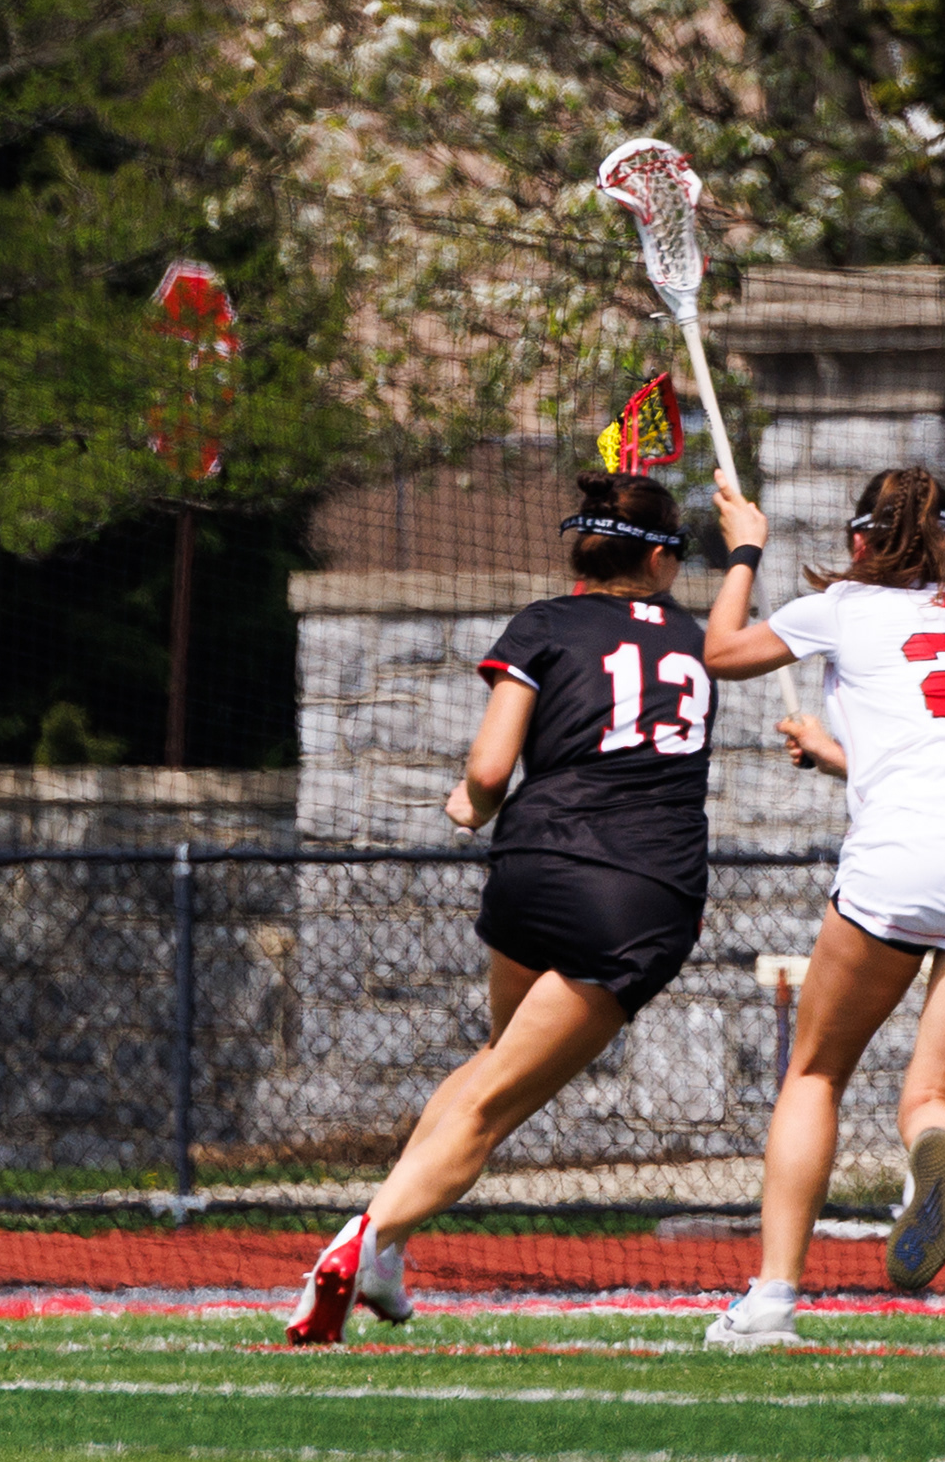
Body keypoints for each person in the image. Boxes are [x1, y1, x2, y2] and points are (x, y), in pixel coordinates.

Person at [285, 468, 717, 1344]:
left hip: (531, 868)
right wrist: (744, 552)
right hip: (635, 892)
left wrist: (469, 805)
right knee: (493, 1109)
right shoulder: (694, 634)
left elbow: (488, 771)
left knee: (492, 1061)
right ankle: (366, 1237)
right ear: (661, 560)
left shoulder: (545, 622)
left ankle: (385, 1252)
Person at [698, 464, 945, 1350]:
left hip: (908, 849)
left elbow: (721, 653)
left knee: (816, 1074)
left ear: (860, 540)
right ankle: (931, 1159)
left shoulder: (843, 608)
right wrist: (837, 753)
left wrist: (745, 550)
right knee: (937, 1095)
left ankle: (773, 1301)